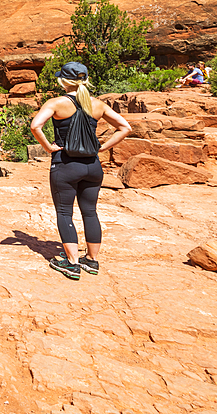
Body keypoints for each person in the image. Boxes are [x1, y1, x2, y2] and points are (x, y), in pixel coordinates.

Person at [29, 62, 132, 280]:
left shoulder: (57, 103)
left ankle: (72, 263)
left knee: (65, 212)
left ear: (64, 81)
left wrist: (48, 147)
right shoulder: (97, 104)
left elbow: (35, 126)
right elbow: (125, 127)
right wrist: (102, 147)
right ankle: (91, 261)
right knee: (90, 211)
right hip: (92, 166)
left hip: (66, 165)